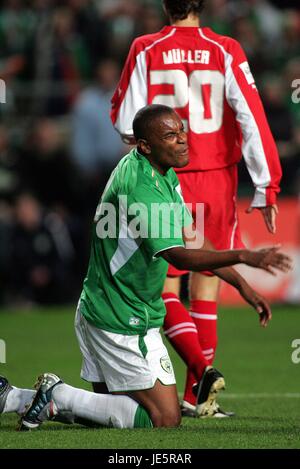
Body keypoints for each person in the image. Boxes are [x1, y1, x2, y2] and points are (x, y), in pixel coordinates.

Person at [0, 106, 291, 429]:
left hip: (107, 304)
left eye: (181, 131)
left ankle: (15, 398)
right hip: (122, 315)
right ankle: (58, 393)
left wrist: (242, 285)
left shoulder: (160, 172)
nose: (182, 140)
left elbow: (191, 238)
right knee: (165, 418)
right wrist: (242, 256)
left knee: (111, 411)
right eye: (170, 135)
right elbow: (179, 256)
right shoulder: (141, 187)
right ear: (145, 145)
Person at [110, 0, 282, 417]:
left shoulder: (146, 47)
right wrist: (267, 184)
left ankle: (198, 373)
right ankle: (197, 397)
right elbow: (251, 116)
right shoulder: (225, 48)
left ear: (165, 6)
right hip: (217, 178)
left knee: (165, 287)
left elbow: (123, 116)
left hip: (167, 174)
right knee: (208, 288)